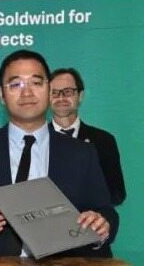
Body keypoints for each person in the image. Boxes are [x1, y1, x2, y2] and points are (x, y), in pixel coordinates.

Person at [0, 49, 117, 259]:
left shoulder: (81, 153)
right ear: (2, 95)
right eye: (16, 84)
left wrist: (101, 224)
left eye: (36, 83)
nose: (27, 93)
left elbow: (106, 212)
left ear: (49, 89)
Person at [49, 66, 126, 209]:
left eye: (68, 91)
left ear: (80, 95)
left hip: (90, 220)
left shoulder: (103, 140)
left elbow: (117, 194)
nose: (61, 97)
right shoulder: (35, 139)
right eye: (54, 92)